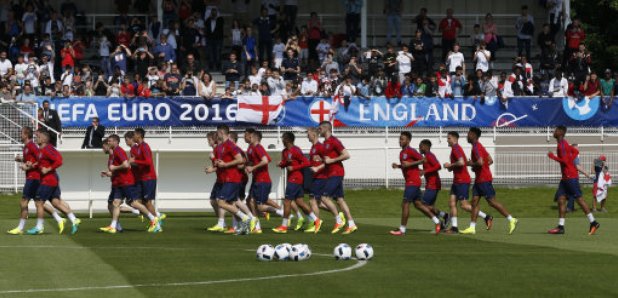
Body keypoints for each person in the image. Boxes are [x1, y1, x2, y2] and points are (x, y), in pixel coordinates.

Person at [7, 127, 66, 235]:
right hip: (32, 177)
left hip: (33, 178)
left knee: (24, 202)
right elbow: (34, 160)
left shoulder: (32, 146)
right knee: (39, 203)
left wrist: (29, 167)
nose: (20, 135)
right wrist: (22, 160)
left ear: (26, 135)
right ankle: (59, 219)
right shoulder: (27, 147)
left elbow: (38, 160)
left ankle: (21, 228)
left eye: (21, 133)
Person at [460, 127, 518, 235]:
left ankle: (511, 219)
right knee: (474, 202)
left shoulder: (476, 147)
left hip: (483, 179)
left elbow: (481, 162)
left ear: (473, 135)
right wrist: (476, 166)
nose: (467, 136)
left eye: (468, 134)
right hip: (479, 179)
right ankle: (472, 228)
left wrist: (470, 164)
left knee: (492, 202)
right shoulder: (479, 146)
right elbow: (490, 160)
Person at [99, 135, 159, 234]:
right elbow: (117, 168)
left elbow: (126, 165)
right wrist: (109, 173)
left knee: (133, 203)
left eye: (110, 141)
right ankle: (113, 226)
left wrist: (114, 168)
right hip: (119, 183)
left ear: (115, 142)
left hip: (126, 182)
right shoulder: (113, 153)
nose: (108, 143)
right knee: (115, 203)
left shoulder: (119, 150)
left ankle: (153, 218)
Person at [547, 126, 600, 235]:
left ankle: (593, 222)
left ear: (560, 133)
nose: (554, 132)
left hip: (570, 177)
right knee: (561, 199)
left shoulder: (562, 145)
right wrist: (571, 161)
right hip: (565, 178)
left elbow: (565, 161)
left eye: (555, 130)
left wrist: (553, 157)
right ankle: (561, 227)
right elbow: (575, 151)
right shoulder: (564, 143)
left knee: (579, 200)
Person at [27, 130, 81, 235]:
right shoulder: (41, 150)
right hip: (50, 179)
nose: (36, 139)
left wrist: (48, 169)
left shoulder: (47, 149)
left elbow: (59, 160)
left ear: (44, 139)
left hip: (49, 179)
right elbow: (41, 163)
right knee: (56, 202)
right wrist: (32, 164)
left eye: (38, 137)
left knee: (39, 202)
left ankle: (39, 227)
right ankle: (74, 219)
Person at [390, 132, 442, 236]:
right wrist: (399, 166)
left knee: (405, 204)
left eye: (403, 139)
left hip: (413, 182)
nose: (400, 141)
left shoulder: (411, 151)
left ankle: (402, 230)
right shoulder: (402, 153)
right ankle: (437, 221)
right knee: (418, 205)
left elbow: (423, 160)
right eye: (400, 139)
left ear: (408, 140)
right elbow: (407, 166)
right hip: (411, 181)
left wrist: (410, 163)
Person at [272, 132, 322, 234]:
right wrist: (281, 164)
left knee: (287, 202)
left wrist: (294, 167)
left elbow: (306, 163)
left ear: (287, 140)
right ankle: (316, 220)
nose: (282, 140)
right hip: (292, 179)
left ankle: (284, 226)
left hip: (295, 179)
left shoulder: (296, 150)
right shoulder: (285, 151)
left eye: (283, 138)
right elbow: (287, 163)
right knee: (300, 202)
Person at [443, 131, 492, 234]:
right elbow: (460, 164)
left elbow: (461, 162)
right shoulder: (454, 149)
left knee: (464, 205)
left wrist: (450, 165)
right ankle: (454, 228)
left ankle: (486, 216)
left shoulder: (456, 148)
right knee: (452, 203)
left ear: (455, 139)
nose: (447, 140)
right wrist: (450, 167)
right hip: (457, 180)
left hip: (462, 181)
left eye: (449, 138)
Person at [213, 125, 253, 235]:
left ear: (221, 133)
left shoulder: (230, 145)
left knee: (221, 203)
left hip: (233, 178)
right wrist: (217, 164)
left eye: (217, 133)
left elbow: (239, 159)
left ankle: (246, 218)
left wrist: (225, 164)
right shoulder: (222, 146)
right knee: (232, 204)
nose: (216, 135)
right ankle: (242, 227)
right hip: (227, 179)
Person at [318, 121, 357, 234]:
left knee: (324, 197)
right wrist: (322, 160)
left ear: (326, 128)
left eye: (320, 128)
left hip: (336, 173)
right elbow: (329, 159)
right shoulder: (325, 143)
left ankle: (338, 220)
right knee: (340, 200)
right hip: (332, 173)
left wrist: (332, 160)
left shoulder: (334, 141)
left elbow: (346, 155)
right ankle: (351, 224)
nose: (319, 130)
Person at [244, 129, 284, 233]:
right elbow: (264, 159)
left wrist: (252, 168)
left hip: (262, 180)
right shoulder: (251, 148)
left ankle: (281, 212)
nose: (246, 137)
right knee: (249, 201)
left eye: (248, 135)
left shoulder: (258, 147)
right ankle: (257, 226)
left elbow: (265, 160)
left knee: (260, 206)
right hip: (256, 179)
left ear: (253, 137)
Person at [306, 127, 344, 233]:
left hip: (321, 177)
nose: (307, 136)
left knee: (312, 200)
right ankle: (337, 214)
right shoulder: (313, 147)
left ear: (313, 135)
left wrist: (318, 167)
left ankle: (317, 223)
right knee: (316, 202)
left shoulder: (320, 147)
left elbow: (327, 161)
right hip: (316, 177)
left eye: (308, 133)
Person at [131, 128, 166, 227]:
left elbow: (148, 162)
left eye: (134, 134)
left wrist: (135, 162)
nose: (133, 136)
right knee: (139, 202)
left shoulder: (145, 147)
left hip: (149, 178)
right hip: (142, 178)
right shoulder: (137, 147)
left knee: (147, 202)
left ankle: (156, 224)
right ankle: (155, 221)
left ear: (139, 135)